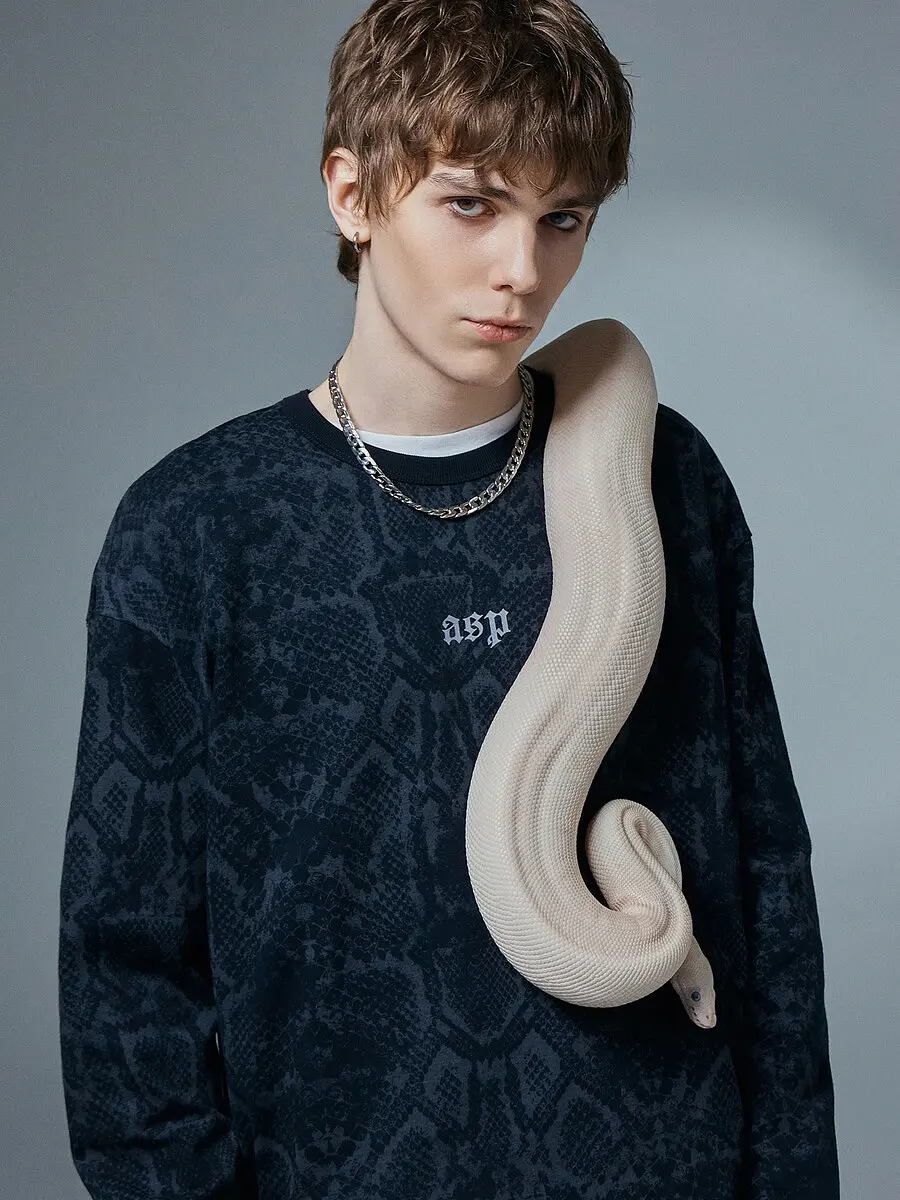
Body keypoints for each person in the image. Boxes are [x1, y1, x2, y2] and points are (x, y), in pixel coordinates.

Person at [57, 1, 840, 1197]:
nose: (523, 271)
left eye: (563, 218)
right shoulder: (198, 527)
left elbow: (767, 880)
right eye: (473, 203)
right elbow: (125, 980)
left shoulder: (668, 478)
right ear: (353, 194)